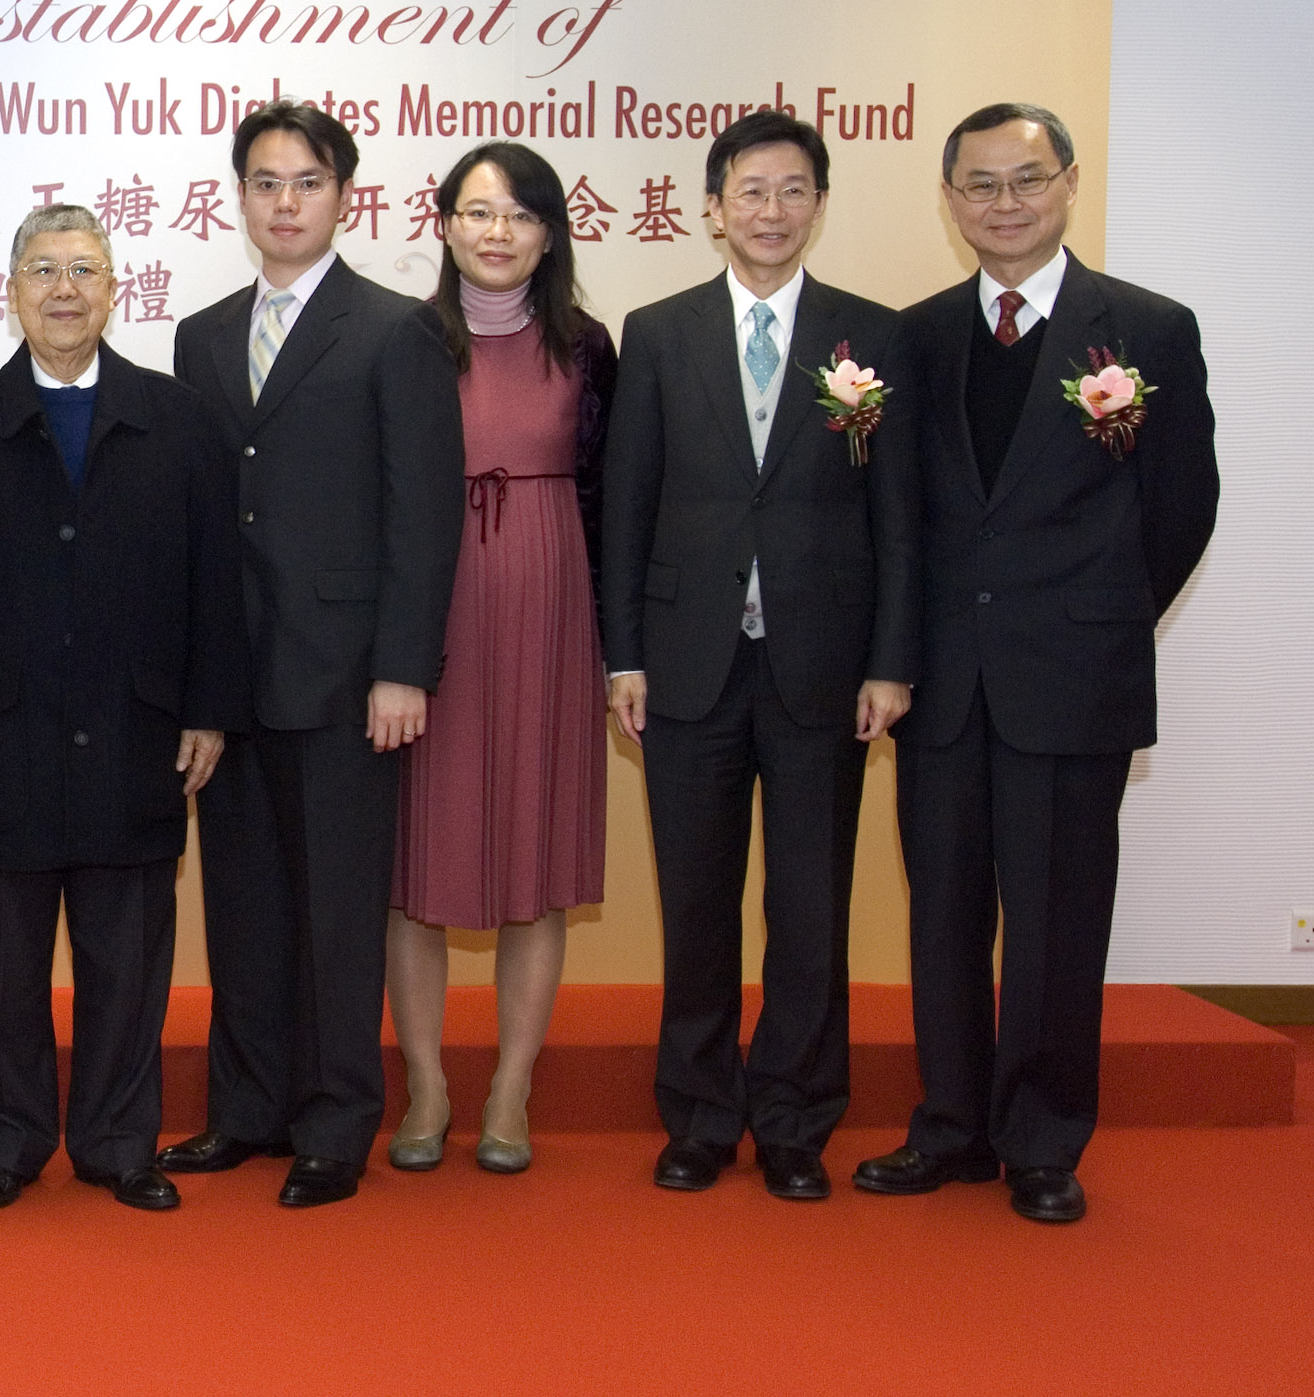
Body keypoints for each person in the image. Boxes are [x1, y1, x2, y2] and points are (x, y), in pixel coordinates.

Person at [858, 104, 1217, 1225]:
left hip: (1071, 677)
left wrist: (1097, 619)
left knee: (1059, 919)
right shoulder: (912, 336)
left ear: (1067, 183)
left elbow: (1179, 506)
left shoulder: (1145, 330)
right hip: (944, 682)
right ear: (947, 198)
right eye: (977, 185)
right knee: (944, 915)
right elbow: (899, 516)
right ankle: (952, 1126)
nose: (1001, 204)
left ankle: (1044, 1137)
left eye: (1024, 180)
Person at [601, 110, 918, 1202]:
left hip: (822, 669)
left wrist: (889, 660)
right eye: (748, 191)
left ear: (818, 205)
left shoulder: (871, 337)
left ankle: (790, 1116)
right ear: (710, 208)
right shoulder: (656, 331)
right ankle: (696, 1115)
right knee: (694, 904)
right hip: (684, 663)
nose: (769, 211)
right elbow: (623, 505)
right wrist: (620, 655)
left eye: (791, 191)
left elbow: (898, 520)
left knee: (808, 906)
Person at [157, 101, 465, 1208]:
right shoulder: (198, 335)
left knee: (337, 911)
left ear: (343, 196)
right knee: (240, 906)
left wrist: (402, 668)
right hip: (230, 679)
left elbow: (422, 518)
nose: (282, 203)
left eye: (304, 183)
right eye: (263, 183)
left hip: (345, 677)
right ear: (235, 197)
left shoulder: (395, 329)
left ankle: (336, 1119)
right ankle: (244, 1108)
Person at [0, 204, 245, 1215]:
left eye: (83, 268)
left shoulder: (179, 418)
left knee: (126, 954)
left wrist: (207, 707)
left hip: (135, 728)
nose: (63, 288)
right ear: (9, 288)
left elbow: (216, 579)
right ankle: (4, 1143)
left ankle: (116, 1141)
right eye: (42, 269)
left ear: (114, 288)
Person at [385, 143, 618, 1175]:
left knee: (536, 857)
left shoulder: (588, 345)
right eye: (476, 212)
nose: (495, 232)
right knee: (415, 863)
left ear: (549, 232)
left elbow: (615, 497)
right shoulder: (404, 342)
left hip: (549, 608)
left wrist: (622, 649)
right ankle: (426, 1082)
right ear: (440, 224)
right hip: (430, 611)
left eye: (519, 214)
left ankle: (511, 1087)